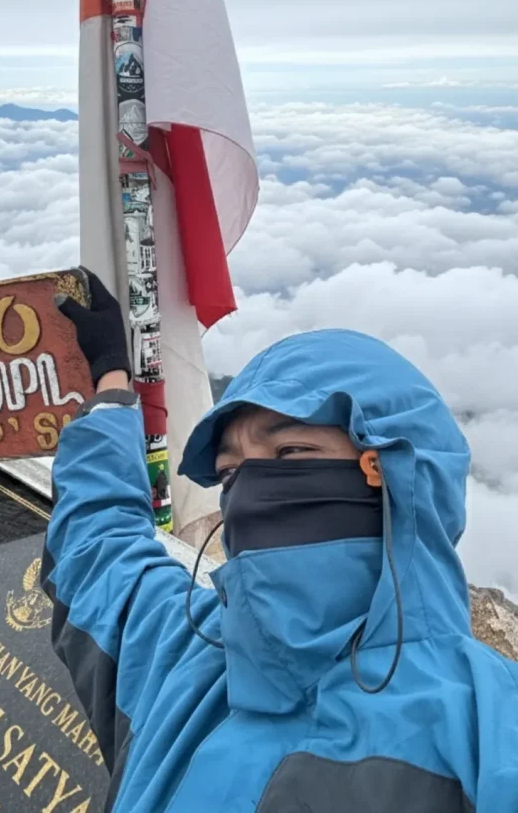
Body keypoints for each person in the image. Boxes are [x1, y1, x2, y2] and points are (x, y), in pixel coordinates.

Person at [41, 269, 518, 812]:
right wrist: (111, 383)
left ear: (391, 471)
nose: (248, 494)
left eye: (291, 453)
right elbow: (100, 548)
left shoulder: (493, 734)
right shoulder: (189, 656)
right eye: (229, 473)